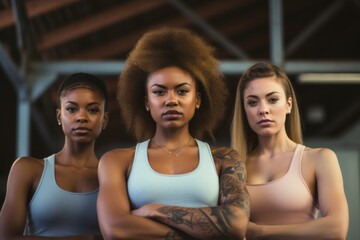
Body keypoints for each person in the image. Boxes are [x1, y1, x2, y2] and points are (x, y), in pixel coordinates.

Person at [97, 27, 250, 240]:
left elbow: (236, 224)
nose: (171, 100)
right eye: (159, 92)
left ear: (197, 100)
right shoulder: (117, 160)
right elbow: (115, 229)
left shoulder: (225, 159)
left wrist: (156, 210)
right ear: (146, 103)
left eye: (182, 91)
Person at [231, 62, 349, 239]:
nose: (263, 110)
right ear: (244, 110)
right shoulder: (233, 166)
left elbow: (337, 229)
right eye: (253, 102)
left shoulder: (320, 158)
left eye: (272, 100)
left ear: (288, 105)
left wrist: (260, 231)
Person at [0, 72, 109, 239]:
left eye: (93, 110)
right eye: (71, 109)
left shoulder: (114, 176)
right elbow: (6, 237)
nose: (81, 117)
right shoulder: (28, 170)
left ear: (105, 119)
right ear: (59, 116)